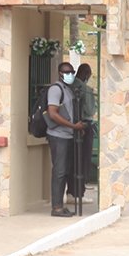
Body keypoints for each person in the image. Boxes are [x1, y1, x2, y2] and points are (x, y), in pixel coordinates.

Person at [45, 61, 86, 217]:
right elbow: (53, 113)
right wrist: (73, 126)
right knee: (59, 171)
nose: (70, 75)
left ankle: (60, 205)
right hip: (58, 136)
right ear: (60, 73)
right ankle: (56, 208)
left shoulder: (67, 89)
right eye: (66, 72)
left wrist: (75, 128)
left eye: (72, 72)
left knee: (65, 170)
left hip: (67, 135)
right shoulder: (55, 90)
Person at [72, 63, 99, 202]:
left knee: (72, 161)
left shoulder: (69, 86)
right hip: (84, 125)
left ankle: (71, 192)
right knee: (84, 160)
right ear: (87, 75)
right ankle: (79, 194)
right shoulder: (85, 88)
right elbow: (90, 111)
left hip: (69, 126)